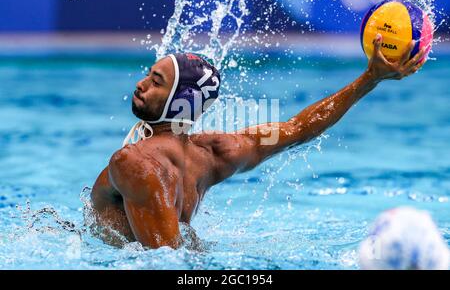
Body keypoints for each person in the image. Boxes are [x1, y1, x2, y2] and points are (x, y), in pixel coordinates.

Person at [90, 35, 427, 248]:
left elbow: (166, 263)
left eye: (156, 82)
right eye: (149, 75)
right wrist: (369, 79)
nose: (140, 84)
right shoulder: (213, 153)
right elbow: (299, 128)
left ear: (182, 102)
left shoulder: (133, 163)